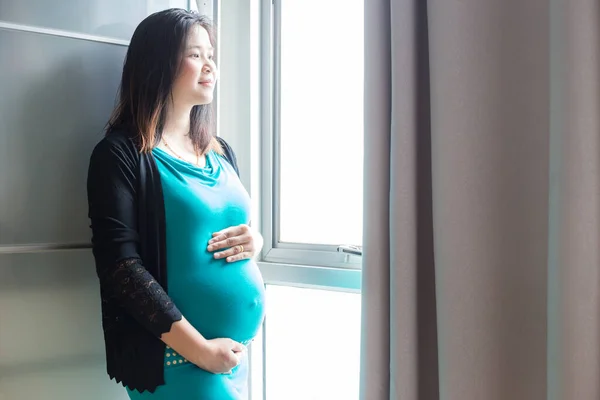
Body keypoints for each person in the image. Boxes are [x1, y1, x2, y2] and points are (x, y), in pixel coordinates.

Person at [86, 8, 266, 399]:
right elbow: (121, 269)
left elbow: (219, 227)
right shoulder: (119, 155)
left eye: (211, 55)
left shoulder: (220, 151)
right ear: (159, 62)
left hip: (230, 359)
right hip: (179, 363)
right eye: (195, 54)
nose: (210, 66)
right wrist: (200, 351)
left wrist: (255, 242)